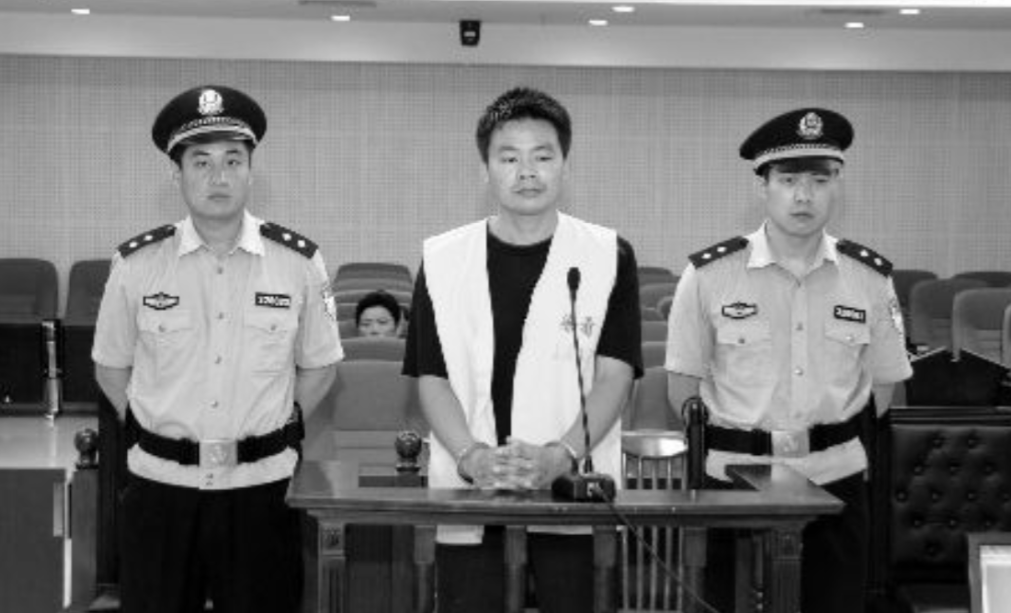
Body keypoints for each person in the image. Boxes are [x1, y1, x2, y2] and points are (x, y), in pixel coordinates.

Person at [91, 84, 342, 613]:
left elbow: (320, 366)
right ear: (176, 175)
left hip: (261, 489)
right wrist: (156, 427)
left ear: (252, 171)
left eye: (233, 160)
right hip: (160, 489)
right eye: (200, 162)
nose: (218, 176)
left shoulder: (298, 262)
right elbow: (111, 367)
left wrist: (280, 422)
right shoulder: (136, 264)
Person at [403, 86, 642, 613]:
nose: (527, 172)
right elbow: (431, 377)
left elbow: (615, 377)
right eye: (509, 158)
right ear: (485, 169)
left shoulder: (607, 255)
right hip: (471, 489)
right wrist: (472, 458)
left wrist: (561, 455)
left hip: (574, 487)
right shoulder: (442, 259)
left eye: (543, 157)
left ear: (565, 166)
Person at [665, 107, 913, 613]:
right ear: (763, 186)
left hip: (835, 481)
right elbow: (682, 391)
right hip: (732, 481)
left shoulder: (869, 278)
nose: (804, 196)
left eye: (820, 180)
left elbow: (882, 389)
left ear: (837, 185)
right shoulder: (710, 275)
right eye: (788, 180)